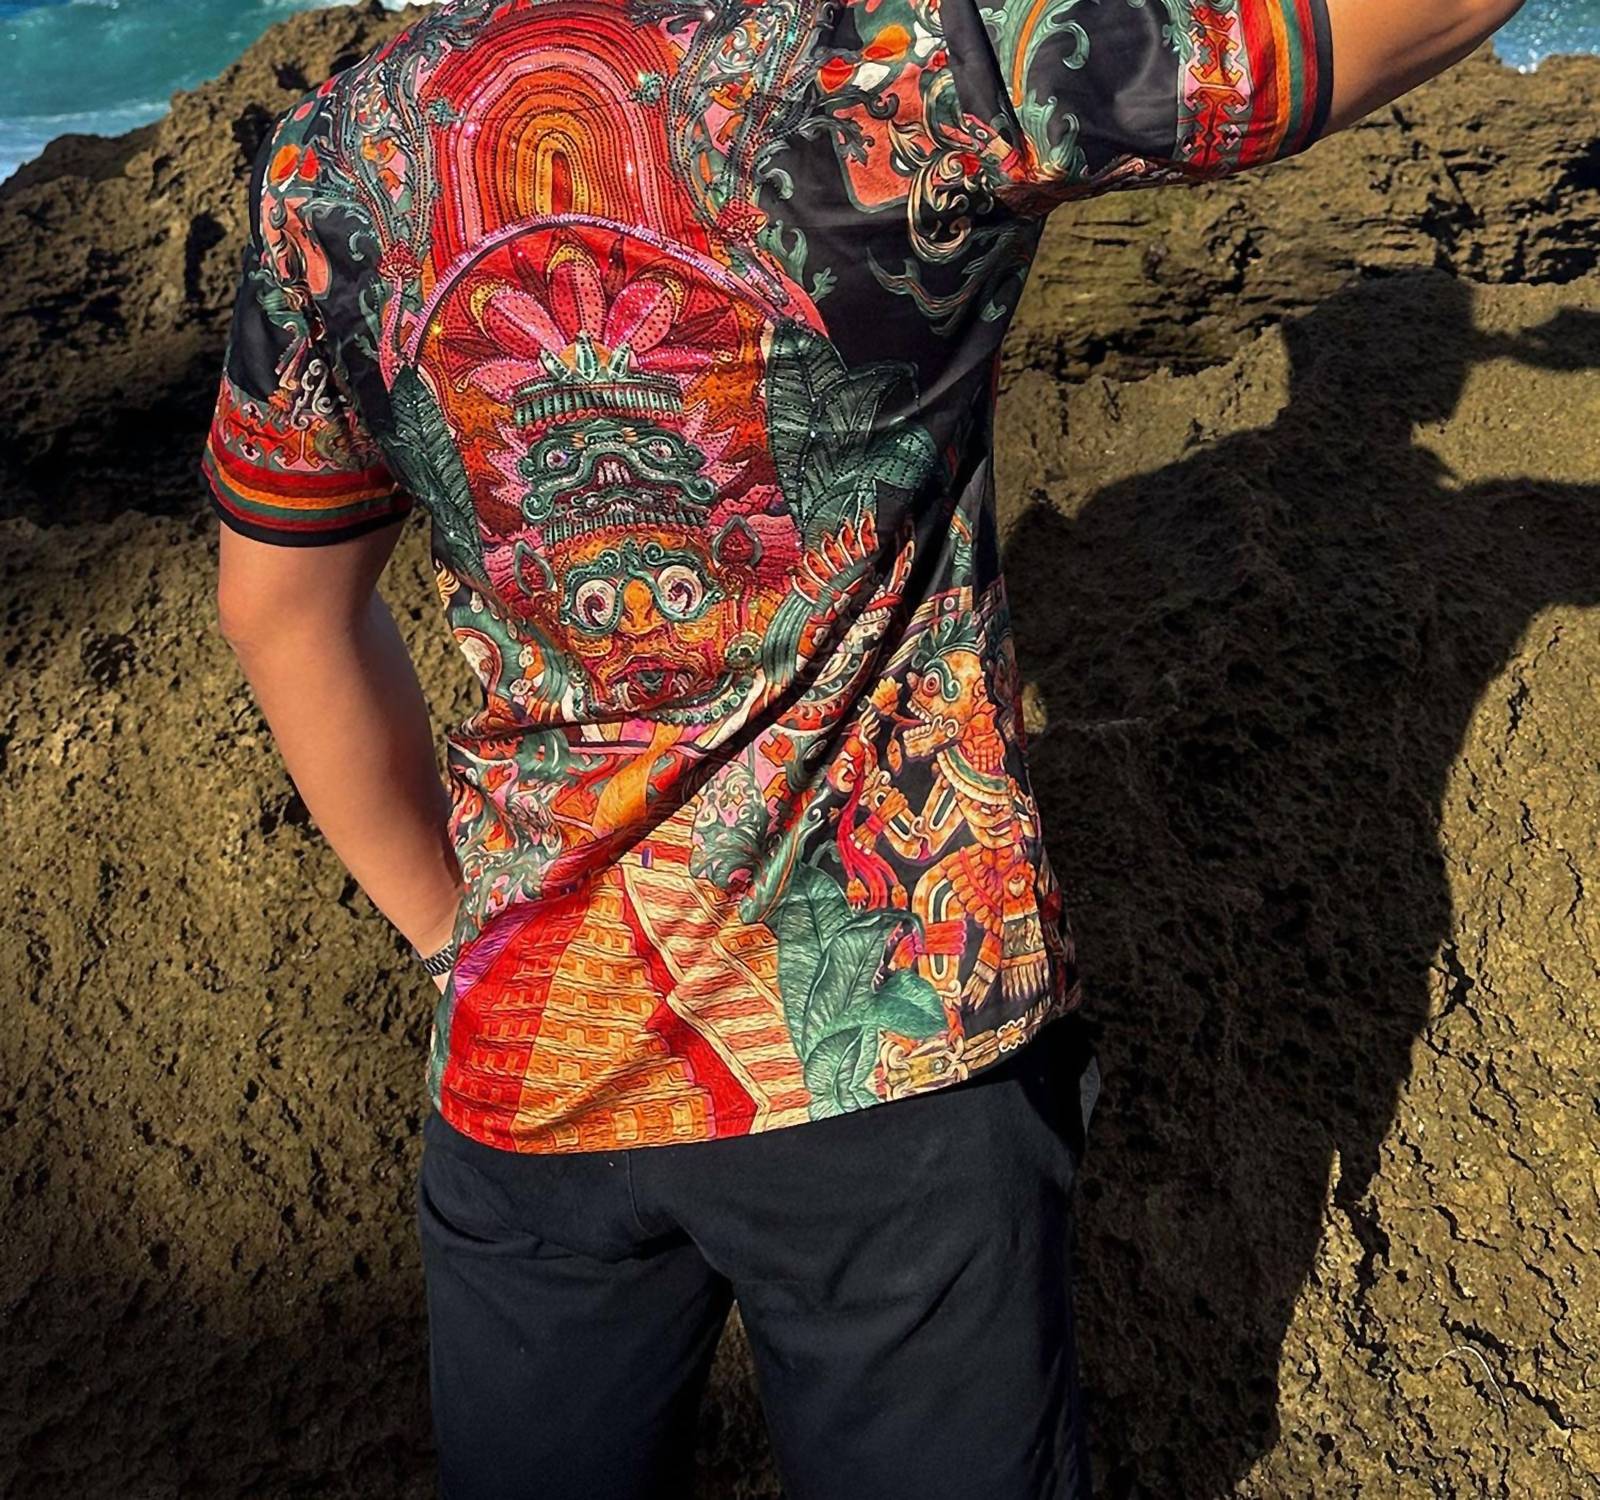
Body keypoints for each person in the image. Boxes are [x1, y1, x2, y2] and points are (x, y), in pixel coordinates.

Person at [201, 0, 1526, 1494]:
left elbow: (280, 609)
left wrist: (461, 939)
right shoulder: (891, 56)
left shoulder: (338, 156)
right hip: (891, 1040)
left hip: (532, 1053)